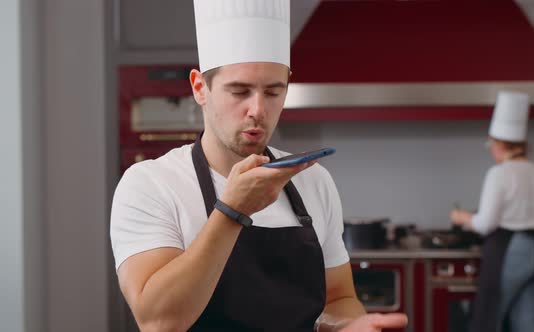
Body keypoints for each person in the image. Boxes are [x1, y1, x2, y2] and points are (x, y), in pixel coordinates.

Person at [110, 1, 408, 331]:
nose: (258, 109)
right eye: (239, 91)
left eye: (273, 92)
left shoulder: (314, 181)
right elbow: (159, 321)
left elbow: (338, 300)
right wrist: (232, 211)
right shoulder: (151, 184)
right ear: (199, 88)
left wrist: (347, 327)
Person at [450, 91, 534, 332]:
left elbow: (485, 224)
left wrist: (461, 217)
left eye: (491, 144)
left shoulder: (499, 174)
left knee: (490, 320)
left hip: (510, 252)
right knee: (526, 320)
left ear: (499, 144)